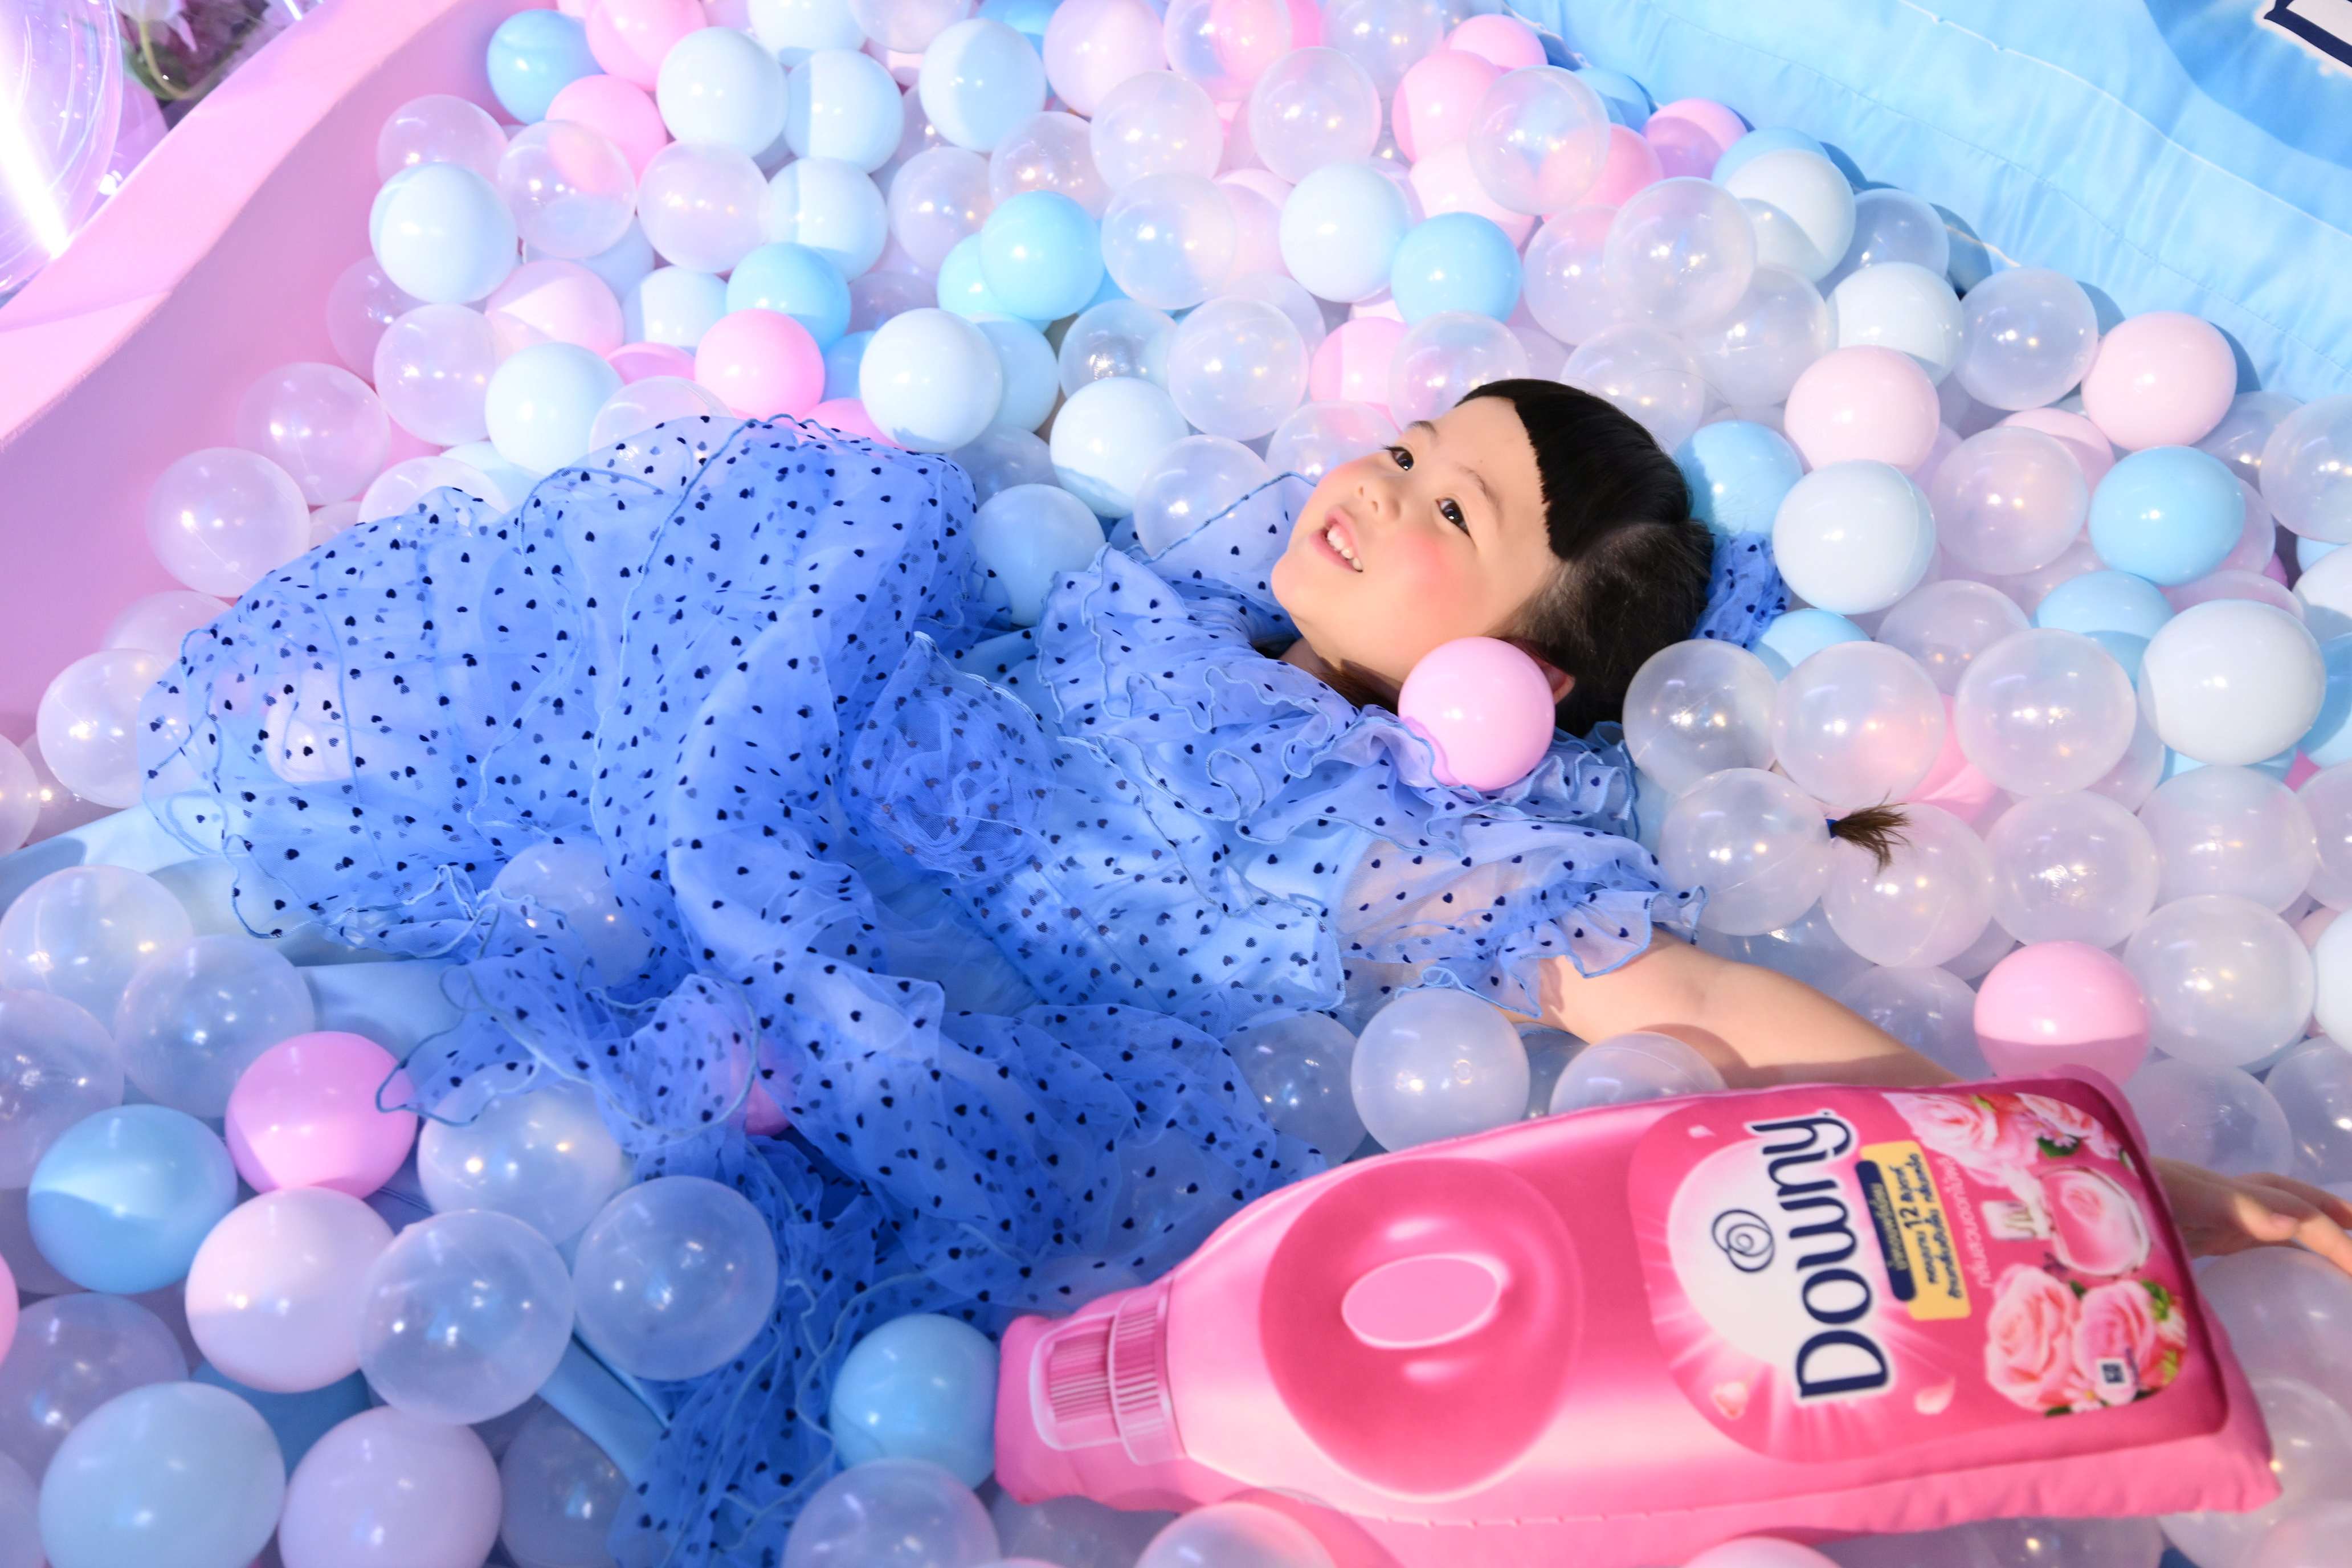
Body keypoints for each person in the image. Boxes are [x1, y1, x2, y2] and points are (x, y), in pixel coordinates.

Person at [138, 381, 2347, 1562]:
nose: (1382, 483)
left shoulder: (1407, 847)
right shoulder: (1169, 589)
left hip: (923, 1016)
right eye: (1410, 447)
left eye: (1455, 515)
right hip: (789, 809)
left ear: (1516, 673)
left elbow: (1704, 1009)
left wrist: (2083, 1168)